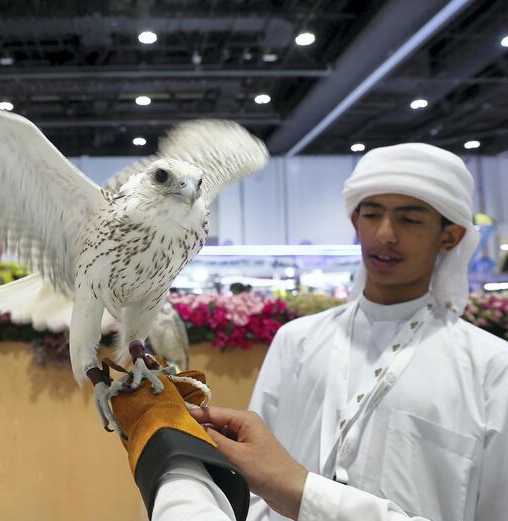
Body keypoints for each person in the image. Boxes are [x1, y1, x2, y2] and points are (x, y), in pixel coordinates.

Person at [191, 143, 508, 520]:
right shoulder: (297, 341)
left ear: (450, 236)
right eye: (372, 214)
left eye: (409, 220)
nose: (385, 234)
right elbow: (258, 483)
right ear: (356, 222)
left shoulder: (491, 366)